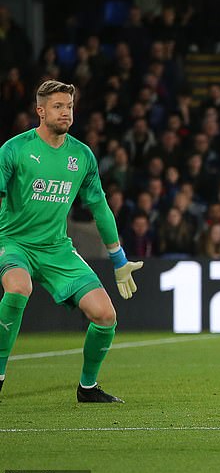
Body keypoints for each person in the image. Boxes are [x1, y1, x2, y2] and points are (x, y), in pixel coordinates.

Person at [0, 80, 144, 403]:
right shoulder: (14, 150)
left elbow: (100, 207)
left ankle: (87, 388)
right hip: (13, 242)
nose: (66, 112)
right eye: (58, 106)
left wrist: (118, 259)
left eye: (69, 106)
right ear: (40, 111)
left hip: (57, 248)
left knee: (106, 316)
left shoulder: (81, 155)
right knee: (19, 288)